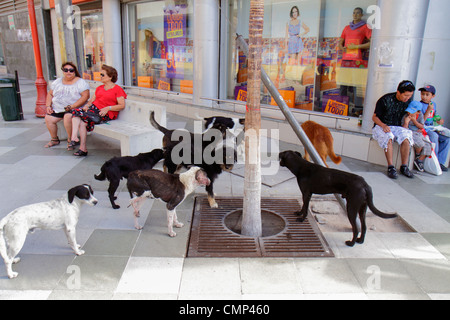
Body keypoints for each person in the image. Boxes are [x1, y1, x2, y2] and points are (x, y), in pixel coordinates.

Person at [70, 65, 127, 156]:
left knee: (76, 113)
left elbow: (121, 105)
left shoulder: (117, 89)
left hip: (104, 113)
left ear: (110, 77)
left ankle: (74, 138)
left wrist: (108, 108)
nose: (100, 76)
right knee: (81, 121)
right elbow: (91, 101)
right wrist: (87, 105)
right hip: (93, 111)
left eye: (102, 75)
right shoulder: (99, 88)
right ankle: (82, 147)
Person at [372, 80, 415, 179]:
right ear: (398, 92)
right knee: (388, 137)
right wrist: (383, 125)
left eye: (409, 96)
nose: (407, 98)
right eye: (405, 95)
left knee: (406, 136)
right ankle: (391, 167)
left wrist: (407, 122)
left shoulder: (409, 102)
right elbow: (374, 117)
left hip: (397, 126)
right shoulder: (385, 99)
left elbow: (410, 116)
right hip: (381, 125)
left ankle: (404, 166)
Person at [44, 62, 90, 149]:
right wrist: (48, 106)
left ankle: (71, 139)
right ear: (63, 71)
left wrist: (72, 106)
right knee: (48, 118)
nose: (68, 72)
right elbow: (50, 94)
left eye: (71, 70)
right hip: (59, 108)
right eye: (66, 70)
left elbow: (85, 96)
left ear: (74, 71)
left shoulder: (80, 82)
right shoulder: (57, 82)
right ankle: (54, 139)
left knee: (67, 117)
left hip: (75, 109)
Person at [418, 85, 449, 172]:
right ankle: (435, 162)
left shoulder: (433, 104)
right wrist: (428, 110)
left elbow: (435, 116)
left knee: (447, 138)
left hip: (432, 127)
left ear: (433, 96)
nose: (424, 96)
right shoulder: (419, 105)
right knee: (435, 136)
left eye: (427, 94)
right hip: (424, 129)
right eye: (422, 94)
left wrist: (440, 121)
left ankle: (440, 162)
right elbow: (421, 121)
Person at [401, 101, 432, 172]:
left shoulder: (420, 115)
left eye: (412, 112)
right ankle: (417, 154)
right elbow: (403, 129)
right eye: (409, 111)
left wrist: (414, 121)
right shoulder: (406, 116)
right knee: (420, 143)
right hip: (410, 133)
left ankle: (419, 160)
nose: (409, 113)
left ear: (418, 112)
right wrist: (406, 122)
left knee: (428, 145)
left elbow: (421, 126)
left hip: (419, 133)